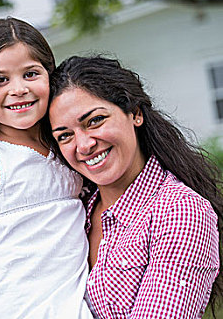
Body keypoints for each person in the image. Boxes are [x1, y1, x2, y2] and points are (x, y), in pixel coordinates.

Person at [48, 55, 223, 318]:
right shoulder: (70, 211)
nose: (83, 145)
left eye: (94, 121)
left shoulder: (181, 211)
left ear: (135, 113)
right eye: (65, 135)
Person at [0, 17, 92, 318]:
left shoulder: (68, 146)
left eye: (30, 74)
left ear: (50, 76)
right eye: (1, 80)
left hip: (73, 307)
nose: (18, 89)